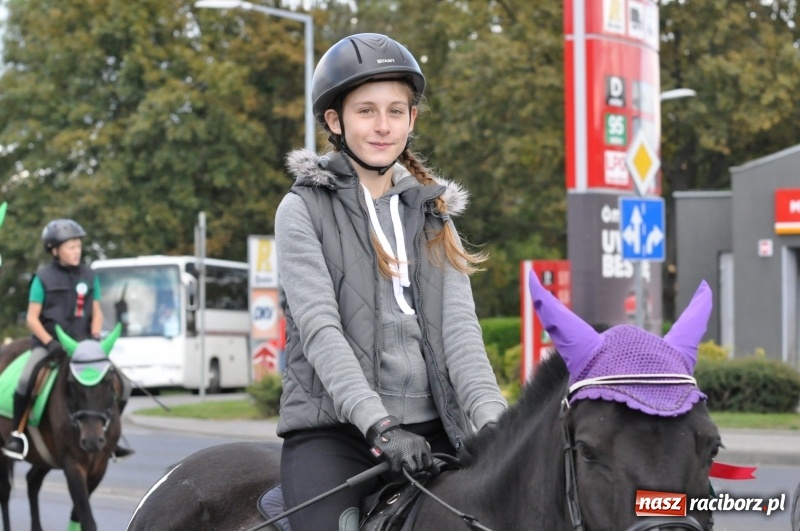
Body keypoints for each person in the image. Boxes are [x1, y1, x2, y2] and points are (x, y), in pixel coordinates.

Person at [275, 33, 508, 530]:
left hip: (434, 432)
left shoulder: (433, 215)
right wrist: (379, 425)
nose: (383, 126)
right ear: (335, 121)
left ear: (411, 119)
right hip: (336, 433)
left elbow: (461, 335)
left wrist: (495, 424)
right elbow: (320, 331)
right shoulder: (302, 210)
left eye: (395, 111)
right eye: (366, 111)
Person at [2, 219, 134, 460]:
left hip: (84, 347)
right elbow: (32, 318)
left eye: (78, 246)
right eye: (70, 247)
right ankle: (17, 435)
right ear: (54, 250)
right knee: (25, 381)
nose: (76, 251)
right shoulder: (42, 278)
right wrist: (49, 343)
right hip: (50, 345)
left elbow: (97, 312)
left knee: (123, 384)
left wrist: (95, 336)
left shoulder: (89, 275)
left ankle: (110, 434)